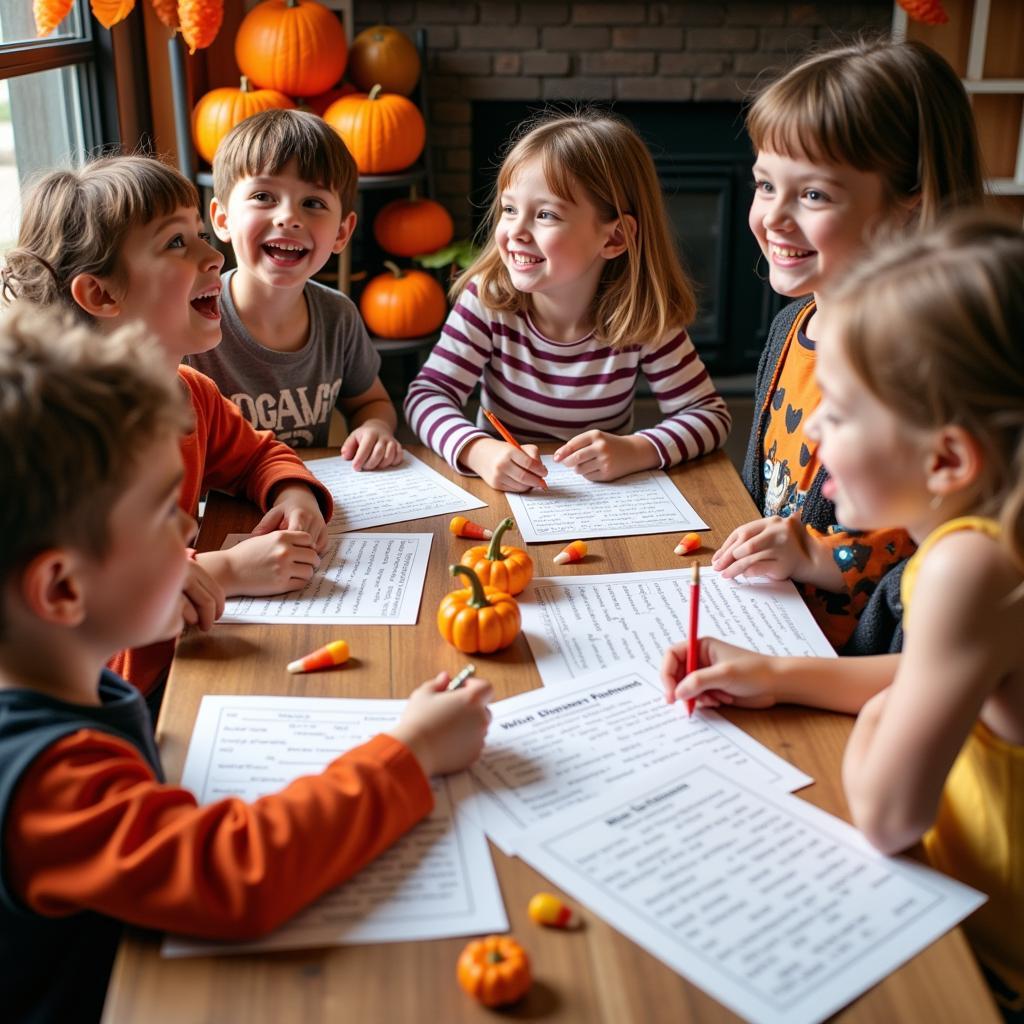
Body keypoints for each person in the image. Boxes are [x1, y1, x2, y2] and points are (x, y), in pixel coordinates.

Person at [0, 303, 493, 1024]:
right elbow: (235, 874)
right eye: (167, 513)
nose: (195, 527)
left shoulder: (69, 680)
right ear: (64, 589)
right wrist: (411, 752)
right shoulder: (49, 783)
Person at [663, 214, 1024, 1019]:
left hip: (988, 963)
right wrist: (777, 674)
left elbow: (889, 815)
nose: (815, 430)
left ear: (946, 459)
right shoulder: (990, 545)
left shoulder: (970, 568)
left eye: (845, 411)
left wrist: (878, 720)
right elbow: (934, 671)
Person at [1, 156, 334, 707]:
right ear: (102, 295)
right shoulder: (75, 437)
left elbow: (259, 455)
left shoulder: (190, 393)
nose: (214, 256)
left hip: (183, 662)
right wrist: (224, 571)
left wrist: (293, 494)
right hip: (117, 699)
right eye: (176, 244)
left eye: (201, 236)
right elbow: (94, 614)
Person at [711, 38, 985, 654]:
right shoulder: (789, 330)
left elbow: (940, 544)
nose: (773, 218)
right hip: (767, 623)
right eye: (763, 185)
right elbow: (769, 493)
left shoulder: (925, 366)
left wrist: (819, 557)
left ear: (906, 205)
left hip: (853, 662)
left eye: (813, 195)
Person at [404, 108, 731, 492]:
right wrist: (479, 451)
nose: (515, 232)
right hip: (500, 495)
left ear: (613, 238)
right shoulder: (488, 299)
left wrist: (636, 450)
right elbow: (427, 396)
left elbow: (709, 415)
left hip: (605, 504)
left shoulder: (642, 316)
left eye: (545, 214)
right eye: (510, 209)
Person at [188, 109, 403, 467]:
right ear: (223, 219)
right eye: (263, 197)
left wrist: (376, 427)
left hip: (306, 500)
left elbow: (371, 402)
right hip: (222, 510)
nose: (289, 217)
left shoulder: (339, 316)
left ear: (341, 233)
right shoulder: (191, 322)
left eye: (313, 203)